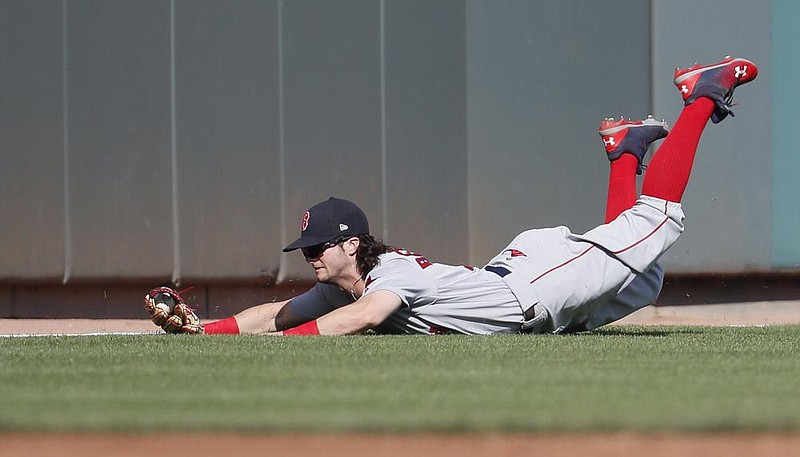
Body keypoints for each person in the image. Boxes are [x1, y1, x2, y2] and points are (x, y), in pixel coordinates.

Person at [146, 56, 758, 336]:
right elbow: (278, 315)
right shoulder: (348, 281)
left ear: (349, 245)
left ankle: (700, 96)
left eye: (316, 248)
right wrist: (208, 328)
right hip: (526, 290)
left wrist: (281, 348)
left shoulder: (386, 277)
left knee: (657, 219)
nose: (308, 257)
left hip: (535, 287)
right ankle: (625, 150)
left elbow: (362, 318)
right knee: (642, 277)